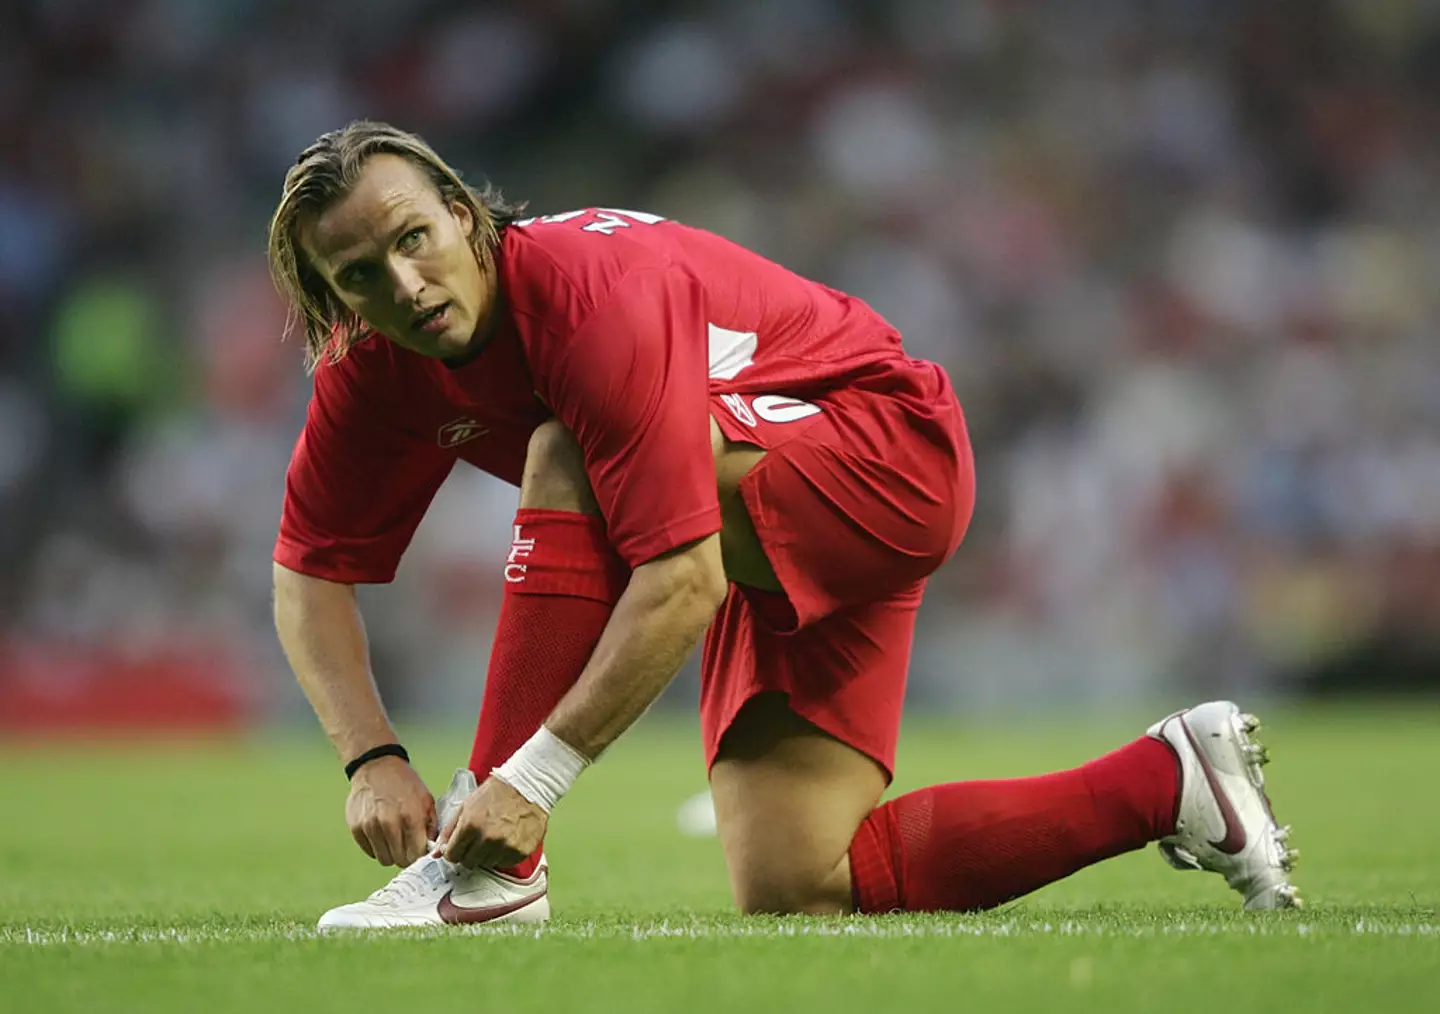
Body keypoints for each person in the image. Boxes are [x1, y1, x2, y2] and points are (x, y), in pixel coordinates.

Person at [266, 121, 1300, 930]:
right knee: (802, 882)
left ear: (460, 213)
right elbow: (307, 574)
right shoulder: (369, 371)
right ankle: (1171, 781)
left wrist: (527, 789)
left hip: (887, 457)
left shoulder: (586, 297)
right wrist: (372, 759)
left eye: (415, 239)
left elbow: (681, 578)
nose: (403, 283)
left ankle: (485, 882)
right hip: (767, 520)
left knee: (561, 448)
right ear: (331, 293)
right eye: (360, 274)